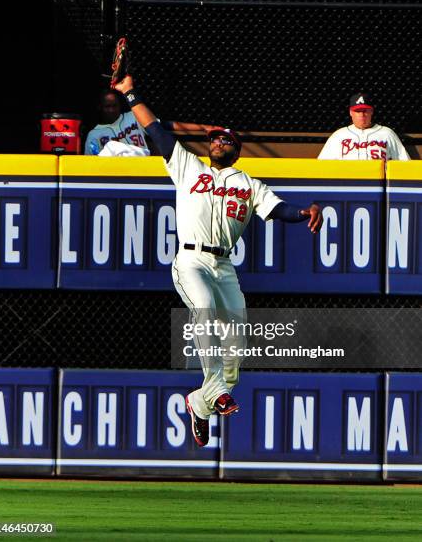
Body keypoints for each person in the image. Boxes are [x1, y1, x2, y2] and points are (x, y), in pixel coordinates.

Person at [114, 73, 323, 448]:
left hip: (224, 266)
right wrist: (129, 94)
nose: (218, 142)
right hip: (191, 259)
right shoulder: (188, 166)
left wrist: (305, 211)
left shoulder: (249, 183)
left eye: (225, 139)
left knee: (236, 351)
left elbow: (279, 210)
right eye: (214, 138)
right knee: (205, 309)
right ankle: (217, 394)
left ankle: (199, 402)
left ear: (236, 148)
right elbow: (156, 129)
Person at [85, 88, 218, 156]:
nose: (112, 109)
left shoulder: (134, 116)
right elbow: (90, 163)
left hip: (144, 167)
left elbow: (166, 125)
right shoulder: (94, 135)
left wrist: (204, 128)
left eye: (115, 105)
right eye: (107, 106)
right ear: (100, 107)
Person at [318, 92, 410, 160]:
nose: (362, 114)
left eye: (365, 110)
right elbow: (322, 166)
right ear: (350, 112)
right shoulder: (339, 135)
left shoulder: (387, 133)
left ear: (372, 111)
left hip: (379, 183)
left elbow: (405, 163)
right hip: (347, 183)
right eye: (358, 111)